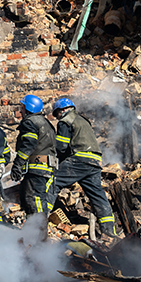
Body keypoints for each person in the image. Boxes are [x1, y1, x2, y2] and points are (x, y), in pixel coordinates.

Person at [51, 97, 117, 237]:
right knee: (98, 196)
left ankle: (39, 221)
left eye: (56, 114)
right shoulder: (83, 121)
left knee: (52, 182)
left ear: (62, 110)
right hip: (94, 161)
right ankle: (109, 232)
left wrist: (56, 161)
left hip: (79, 159)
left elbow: (62, 147)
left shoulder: (65, 121)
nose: (57, 118)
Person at [11, 94, 58, 239]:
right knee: (38, 202)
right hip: (47, 169)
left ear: (27, 108)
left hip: (37, 169)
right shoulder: (46, 123)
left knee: (35, 202)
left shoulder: (30, 122)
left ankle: (38, 241)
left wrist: (18, 165)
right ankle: (34, 237)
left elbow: (28, 145)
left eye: (22, 107)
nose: (21, 110)